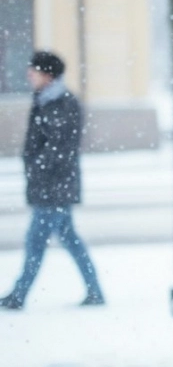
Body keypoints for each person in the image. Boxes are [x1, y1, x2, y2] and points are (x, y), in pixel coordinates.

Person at [1, 51, 105, 310]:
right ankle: (95, 291)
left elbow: (60, 148)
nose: (29, 74)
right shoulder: (45, 99)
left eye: (33, 70)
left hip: (54, 187)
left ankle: (19, 295)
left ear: (48, 75)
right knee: (70, 239)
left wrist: (36, 168)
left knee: (35, 241)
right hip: (51, 185)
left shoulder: (62, 102)